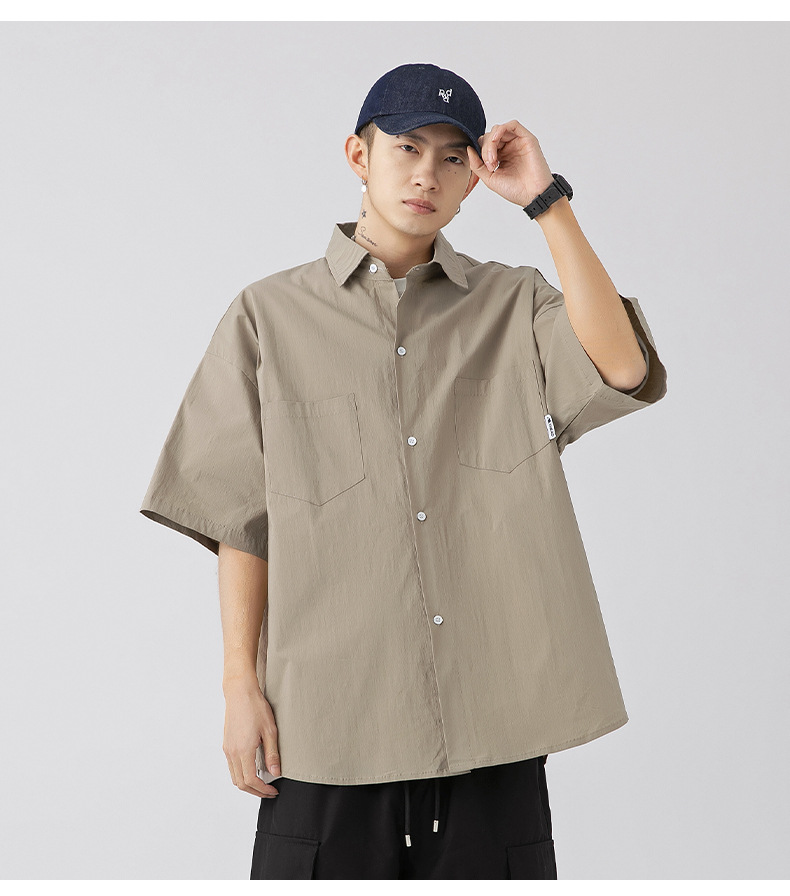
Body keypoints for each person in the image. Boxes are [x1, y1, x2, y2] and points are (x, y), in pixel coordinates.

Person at [139, 62, 667, 879]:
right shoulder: (268, 317)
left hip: (494, 726)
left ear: (474, 179)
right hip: (329, 727)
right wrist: (239, 686)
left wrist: (546, 201)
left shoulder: (512, 305)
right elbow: (240, 515)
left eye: (454, 157)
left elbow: (622, 366)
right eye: (407, 147)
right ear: (359, 155)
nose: (427, 174)